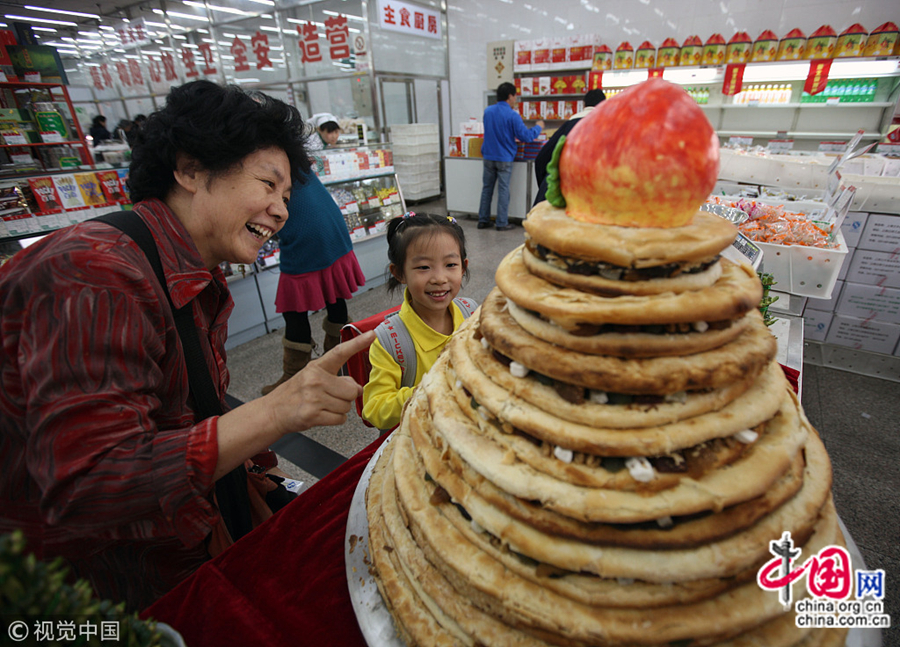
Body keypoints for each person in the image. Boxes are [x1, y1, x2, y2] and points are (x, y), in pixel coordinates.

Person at [0, 80, 374, 610]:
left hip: (182, 549)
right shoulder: (93, 273)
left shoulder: (193, 275)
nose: (281, 210)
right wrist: (276, 412)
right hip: (88, 603)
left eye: (287, 196)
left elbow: (178, 419)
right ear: (191, 169)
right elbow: (92, 487)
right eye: (267, 184)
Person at [260, 161, 366, 395]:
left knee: (293, 308)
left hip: (305, 234)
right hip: (330, 227)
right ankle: (337, 361)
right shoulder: (290, 156)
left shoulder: (262, 161)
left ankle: (294, 374)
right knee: (335, 294)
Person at [362, 213, 473, 431]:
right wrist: (430, 389)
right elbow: (374, 409)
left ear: (463, 267)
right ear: (399, 272)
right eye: (423, 267)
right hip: (419, 441)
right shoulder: (390, 342)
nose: (439, 278)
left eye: (450, 264)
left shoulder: (471, 313)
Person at [477, 82, 544, 231]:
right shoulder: (512, 115)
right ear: (510, 96)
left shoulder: (488, 111)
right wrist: (539, 126)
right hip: (504, 158)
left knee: (487, 189)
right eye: (515, 96)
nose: (515, 99)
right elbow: (525, 136)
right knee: (503, 190)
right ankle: (501, 222)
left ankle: (483, 219)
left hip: (488, 156)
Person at [532, 88, 606, 205]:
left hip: (556, 195)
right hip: (589, 198)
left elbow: (541, 159)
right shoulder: (606, 128)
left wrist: (548, 183)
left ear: (584, 104)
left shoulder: (568, 126)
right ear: (604, 105)